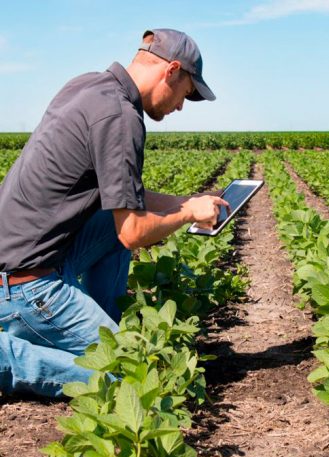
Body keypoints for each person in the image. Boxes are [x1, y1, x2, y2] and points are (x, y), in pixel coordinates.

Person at [0, 28, 228, 398]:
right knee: (132, 379)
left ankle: (97, 325)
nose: (181, 107)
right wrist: (188, 216)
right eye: (185, 94)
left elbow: (124, 202)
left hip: (23, 261)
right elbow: (134, 233)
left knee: (112, 218)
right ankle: (12, 355)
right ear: (171, 70)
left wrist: (184, 201)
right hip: (26, 286)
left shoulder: (89, 86)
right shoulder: (122, 117)